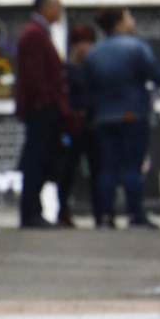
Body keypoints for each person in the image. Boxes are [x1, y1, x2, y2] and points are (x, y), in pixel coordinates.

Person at [85, 7, 160, 229]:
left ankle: (105, 216)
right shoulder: (137, 47)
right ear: (119, 22)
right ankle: (135, 214)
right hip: (133, 113)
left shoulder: (94, 52)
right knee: (133, 165)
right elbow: (156, 74)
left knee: (108, 167)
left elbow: (88, 84)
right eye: (129, 17)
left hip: (104, 116)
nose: (133, 21)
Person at [14, 0, 70, 228]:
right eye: (57, 6)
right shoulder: (34, 35)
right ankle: (31, 212)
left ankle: (34, 210)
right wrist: (46, 102)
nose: (60, 11)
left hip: (42, 108)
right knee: (35, 161)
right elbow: (35, 76)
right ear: (45, 8)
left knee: (39, 159)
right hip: (40, 110)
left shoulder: (38, 32)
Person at [55, 22, 101, 225]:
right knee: (66, 170)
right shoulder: (66, 70)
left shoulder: (98, 70)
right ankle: (63, 212)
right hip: (72, 126)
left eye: (88, 43)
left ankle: (101, 213)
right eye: (80, 43)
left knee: (98, 169)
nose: (84, 48)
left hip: (94, 125)